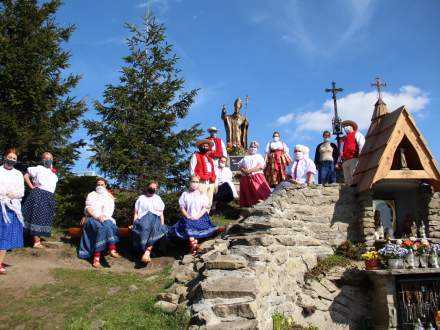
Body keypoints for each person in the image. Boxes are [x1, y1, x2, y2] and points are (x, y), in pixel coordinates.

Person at [169, 176, 219, 255]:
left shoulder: (202, 194)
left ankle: (193, 246)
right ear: (189, 182)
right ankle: (194, 245)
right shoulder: (185, 194)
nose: (195, 183)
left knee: (194, 226)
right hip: (188, 217)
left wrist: (197, 217)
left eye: (197, 182)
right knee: (188, 225)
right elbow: (182, 208)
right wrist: (188, 216)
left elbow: (204, 208)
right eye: (193, 181)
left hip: (201, 217)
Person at [78, 178, 119, 268]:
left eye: (102, 184)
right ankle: (109, 250)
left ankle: (100, 256)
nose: (100, 186)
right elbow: (88, 208)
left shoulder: (108, 196)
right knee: (101, 228)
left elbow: (110, 209)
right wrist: (96, 216)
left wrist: (103, 216)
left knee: (108, 225)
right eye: (98, 185)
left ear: (105, 186)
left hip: (105, 217)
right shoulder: (92, 195)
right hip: (92, 218)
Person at [23, 151, 58, 248]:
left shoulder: (52, 172)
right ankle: (36, 242)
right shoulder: (38, 168)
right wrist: (31, 186)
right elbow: (26, 176)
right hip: (39, 194)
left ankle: (37, 239)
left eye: (50, 158)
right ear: (42, 160)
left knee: (44, 217)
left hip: (49, 196)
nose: (48, 160)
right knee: (36, 216)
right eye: (46, 158)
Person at [0, 148, 25, 275]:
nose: (11, 160)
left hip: (11, 207)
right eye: (9, 157)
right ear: (4, 157)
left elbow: (21, 191)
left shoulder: (18, 174)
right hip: (0, 204)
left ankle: (0, 262)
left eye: (14, 158)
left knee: (5, 234)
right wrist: (4, 193)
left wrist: (13, 194)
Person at [131, 181, 168, 264]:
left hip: (155, 219)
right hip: (143, 219)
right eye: (151, 187)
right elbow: (136, 213)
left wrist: (162, 223)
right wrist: (134, 223)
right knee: (144, 228)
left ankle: (147, 252)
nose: (153, 189)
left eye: (155, 188)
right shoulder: (141, 198)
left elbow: (161, 213)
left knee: (154, 227)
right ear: (147, 187)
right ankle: (146, 252)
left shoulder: (158, 198)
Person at [238, 141, 271, 207]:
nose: (253, 148)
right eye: (251, 147)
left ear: (257, 148)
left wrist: (250, 170)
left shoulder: (259, 156)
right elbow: (240, 166)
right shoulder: (245, 157)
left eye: (254, 147)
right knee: (248, 194)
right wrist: (245, 171)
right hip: (246, 177)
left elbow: (261, 166)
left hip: (257, 177)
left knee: (259, 192)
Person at [190, 139, 216, 210]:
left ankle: (206, 218)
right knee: (200, 201)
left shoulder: (211, 159)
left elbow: (214, 171)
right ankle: (199, 219)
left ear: (209, 148)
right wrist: (194, 179)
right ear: (200, 147)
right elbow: (192, 169)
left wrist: (214, 183)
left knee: (209, 202)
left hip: (210, 182)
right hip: (201, 182)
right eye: (203, 146)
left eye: (206, 146)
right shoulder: (195, 156)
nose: (205, 147)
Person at [341, 120, 365, 185]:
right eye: (345, 126)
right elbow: (342, 150)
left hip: (353, 158)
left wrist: (361, 155)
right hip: (345, 161)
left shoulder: (357, 134)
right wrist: (340, 160)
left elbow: (361, 144)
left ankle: (355, 191)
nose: (346, 127)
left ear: (352, 127)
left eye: (347, 125)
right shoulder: (344, 138)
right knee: (347, 180)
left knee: (354, 176)